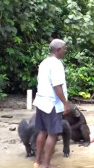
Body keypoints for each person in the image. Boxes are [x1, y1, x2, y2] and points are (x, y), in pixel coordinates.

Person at [32, 39, 70, 168]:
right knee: (53, 134)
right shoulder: (56, 64)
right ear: (58, 50)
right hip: (52, 104)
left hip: (41, 101)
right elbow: (57, 87)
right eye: (64, 48)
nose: (65, 51)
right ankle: (46, 165)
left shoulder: (44, 62)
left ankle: (38, 161)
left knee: (42, 132)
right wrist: (65, 103)